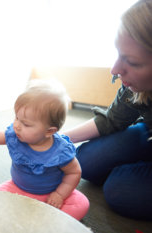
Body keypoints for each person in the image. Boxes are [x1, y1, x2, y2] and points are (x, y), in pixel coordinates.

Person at [63, 0, 152, 221]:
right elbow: (111, 120)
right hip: (147, 133)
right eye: (118, 54)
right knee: (85, 161)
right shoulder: (135, 86)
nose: (115, 69)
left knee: (120, 190)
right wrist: (58, 138)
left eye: (131, 61)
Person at [0, 79, 90, 220]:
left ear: (49, 131)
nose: (17, 125)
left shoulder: (60, 151)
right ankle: (33, 220)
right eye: (16, 118)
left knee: (81, 204)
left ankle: (43, 224)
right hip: (17, 188)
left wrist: (60, 194)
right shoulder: (15, 135)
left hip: (50, 195)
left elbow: (74, 172)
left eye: (25, 123)